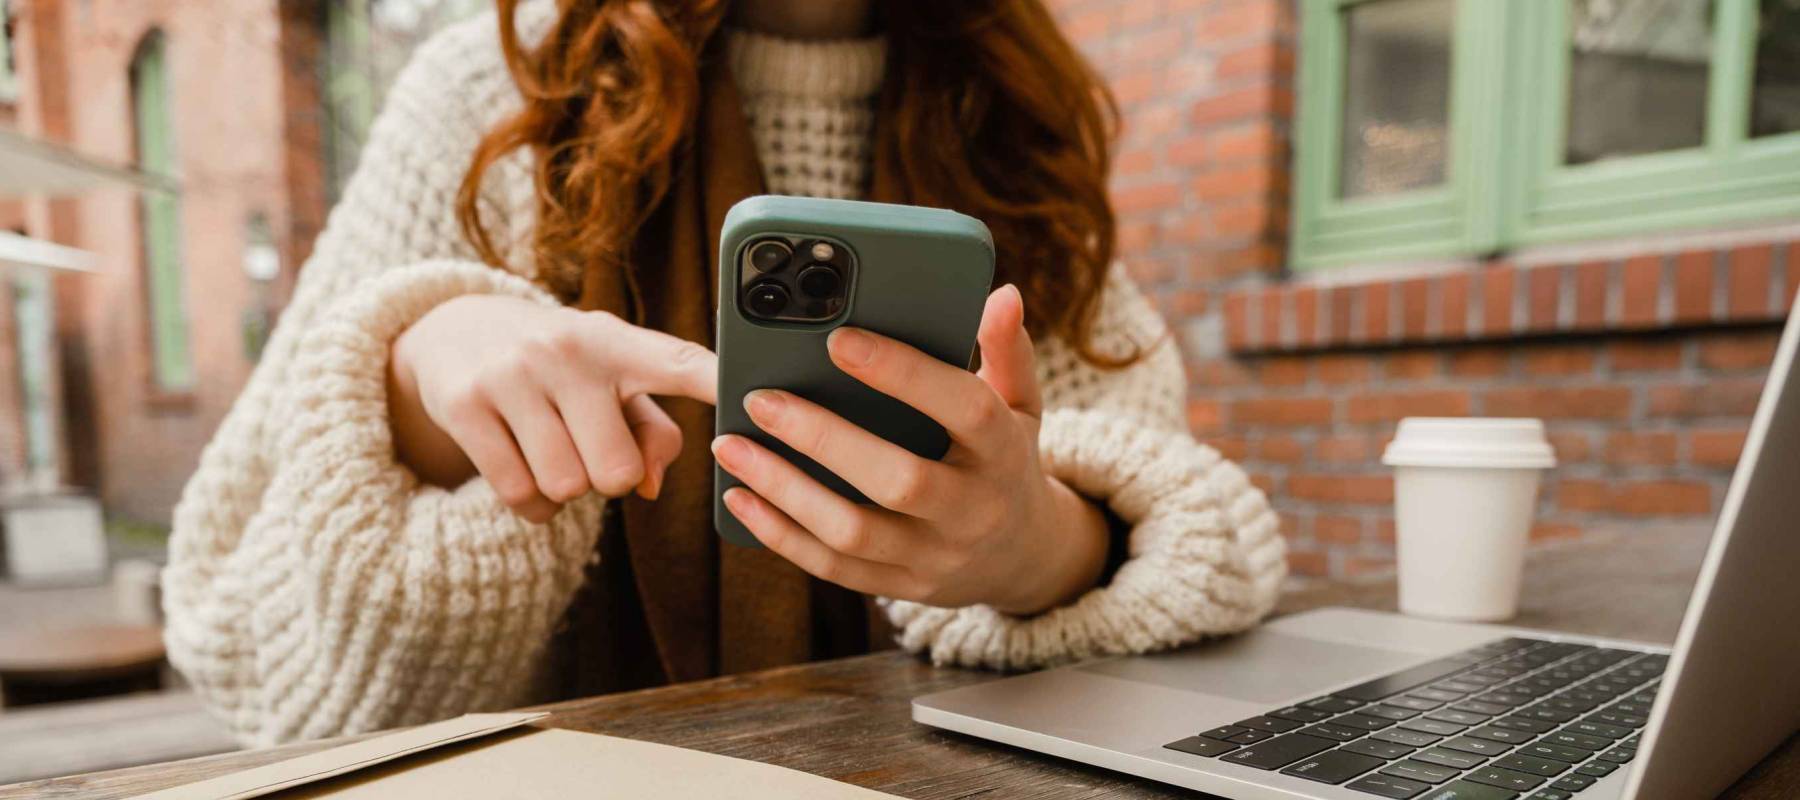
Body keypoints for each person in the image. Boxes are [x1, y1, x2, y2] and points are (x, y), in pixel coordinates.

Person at [162, 0, 1287, 746]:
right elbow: (238, 641)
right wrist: (416, 379)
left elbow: (1188, 532)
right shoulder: (496, 94)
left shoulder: (1020, 122)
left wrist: (1038, 547)